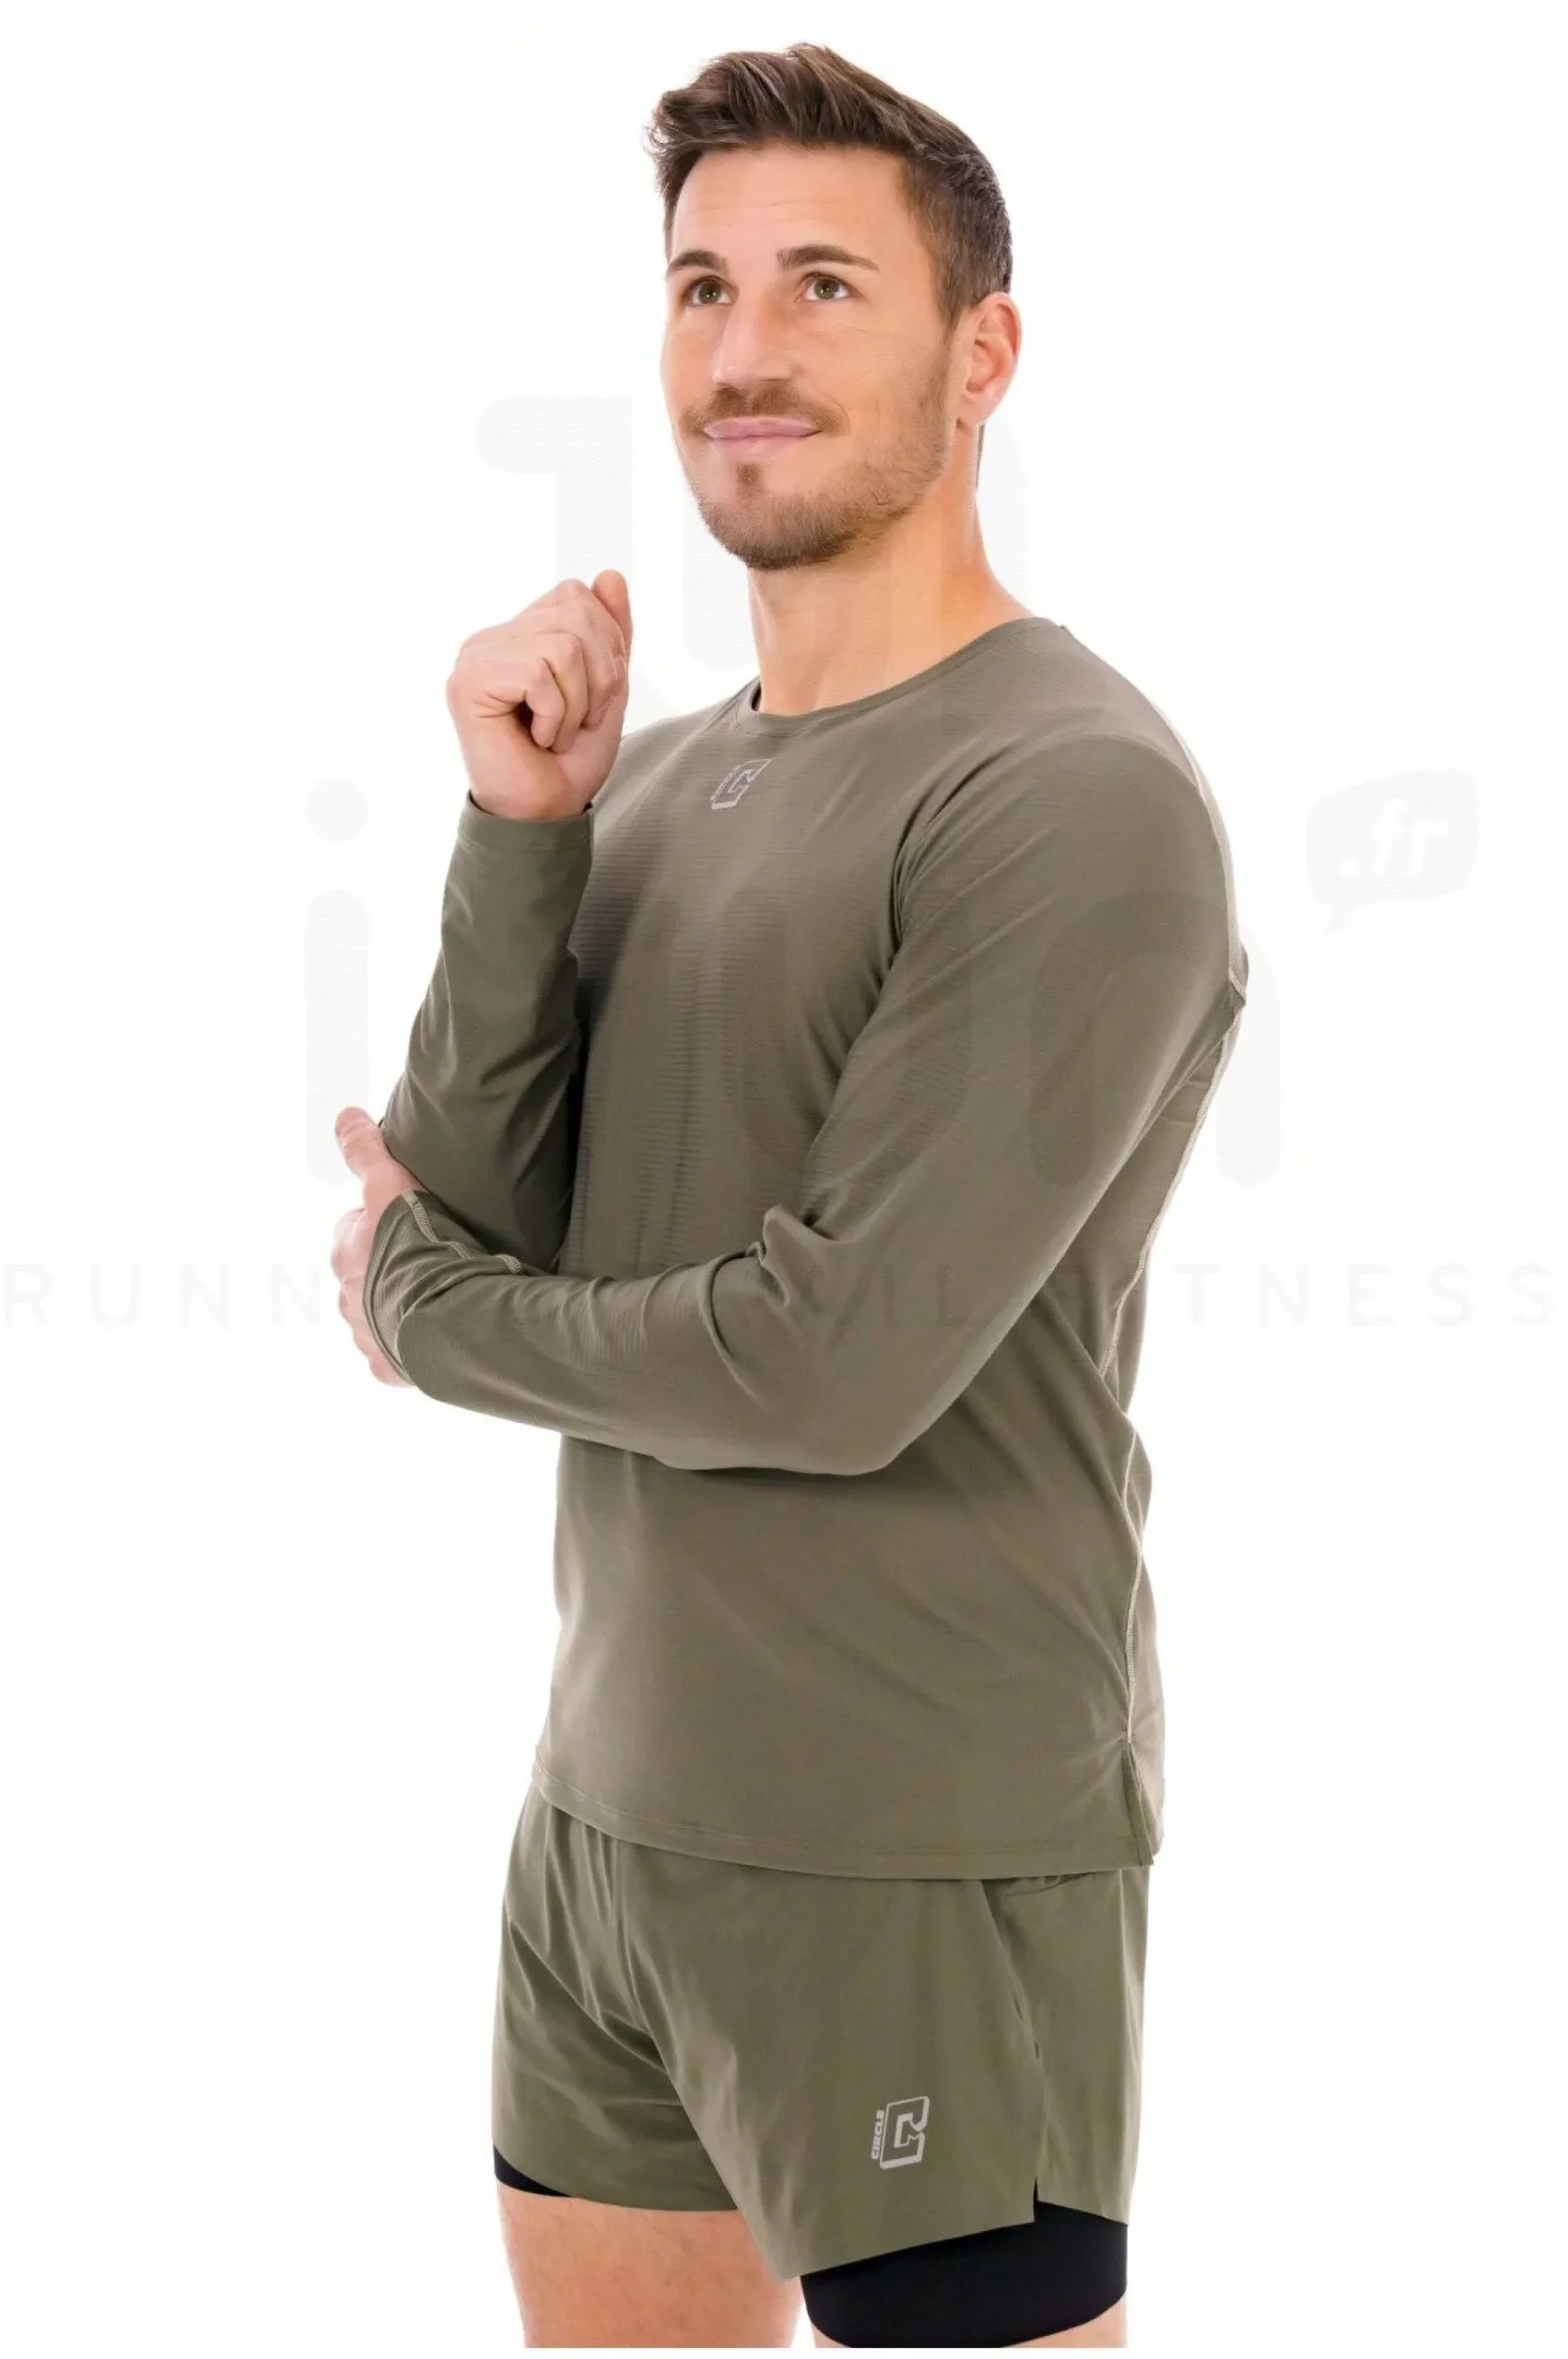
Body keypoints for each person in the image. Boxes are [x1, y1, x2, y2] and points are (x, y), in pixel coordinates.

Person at [331, 39, 1247, 2349]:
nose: (744, 350)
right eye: (700, 286)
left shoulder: (1067, 791)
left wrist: (419, 1314)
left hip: (912, 1849)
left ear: (980, 350)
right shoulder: (642, 779)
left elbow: (826, 1360)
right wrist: (519, 837)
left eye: (824, 285)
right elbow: (475, 1195)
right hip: (600, 1825)